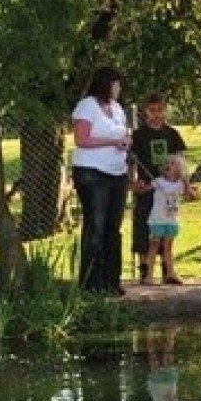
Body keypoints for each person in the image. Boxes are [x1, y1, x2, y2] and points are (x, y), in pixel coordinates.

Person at [72, 66, 130, 294]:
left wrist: (126, 142)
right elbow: (81, 139)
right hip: (92, 173)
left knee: (112, 227)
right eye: (116, 84)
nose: (118, 88)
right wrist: (111, 142)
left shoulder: (117, 109)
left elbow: (123, 133)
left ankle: (111, 281)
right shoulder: (87, 106)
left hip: (117, 172)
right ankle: (90, 284)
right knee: (96, 225)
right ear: (106, 84)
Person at [129, 92, 188, 284]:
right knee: (144, 227)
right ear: (145, 112)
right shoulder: (138, 136)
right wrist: (133, 183)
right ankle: (145, 269)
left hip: (168, 191)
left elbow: (181, 161)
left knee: (167, 227)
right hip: (147, 188)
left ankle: (168, 270)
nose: (156, 114)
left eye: (160, 110)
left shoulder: (172, 134)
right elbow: (131, 161)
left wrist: (185, 184)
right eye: (152, 110)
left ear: (165, 110)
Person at [140, 154, 196, 285]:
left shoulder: (180, 184)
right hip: (157, 220)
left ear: (179, 169)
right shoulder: (158, 181)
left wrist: (187, 184)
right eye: (167, 163)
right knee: (154, 246)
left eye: (172, 163)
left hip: (171, 220)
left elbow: (191, 196)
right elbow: (144, 189)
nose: (168, 165)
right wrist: (140, 186)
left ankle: (170, 273)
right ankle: (149, 275)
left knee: (168, 247)